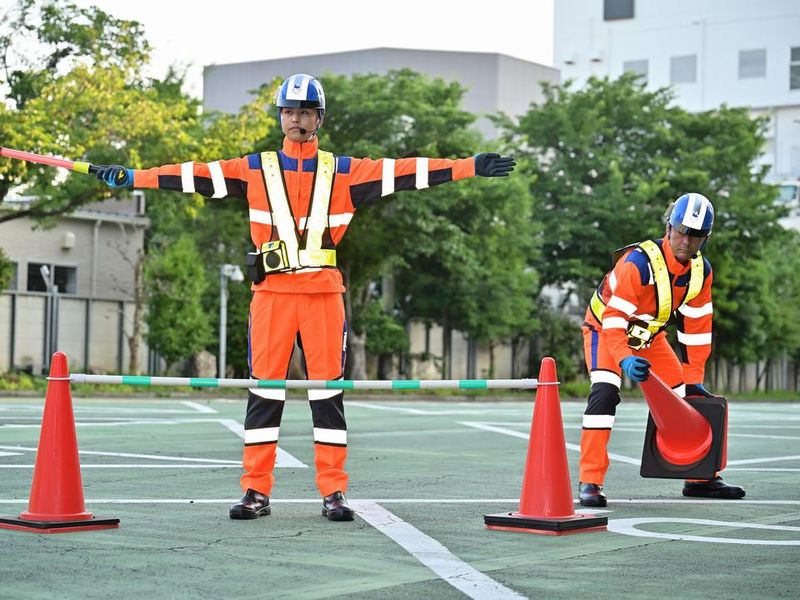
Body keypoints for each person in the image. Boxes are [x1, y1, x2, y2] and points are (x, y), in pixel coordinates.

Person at [95, 73, 516, 521]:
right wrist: (133, 177)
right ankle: (256, 492)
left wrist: (469, 166)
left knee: (327, 394)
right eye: (289, 111)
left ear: (319, 118)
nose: (296, 119)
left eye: (305, 111)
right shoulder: (253, 167)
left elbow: (406, 171)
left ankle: (333, 492)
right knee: (264, 393)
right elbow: (192, 175)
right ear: (281, 116)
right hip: (271, 295)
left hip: (323, 296)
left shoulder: (346, 171)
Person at [577, 192, 745, 507]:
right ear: (668, 227)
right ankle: (591, 481)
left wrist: (693, 375)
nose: (686, 241)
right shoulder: (638, 263)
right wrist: (625, 359)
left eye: (695, 236)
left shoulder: (701, 272)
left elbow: (697, 329)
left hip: (650, 339)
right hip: (604, 331)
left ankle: (699, 478)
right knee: (605, 393)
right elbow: (614, 321)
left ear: (704, 239)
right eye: (681, 231)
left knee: (688, 398)